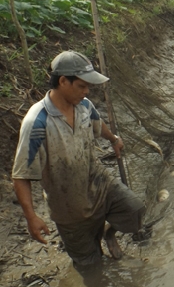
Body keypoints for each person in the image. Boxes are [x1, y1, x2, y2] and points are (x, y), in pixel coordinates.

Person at [12, 51, 145, 265]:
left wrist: (113, 139)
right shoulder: (37, 123)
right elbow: (20, 176)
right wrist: (31, 217)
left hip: (99, 183)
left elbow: (96, 123)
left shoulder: (84, 106)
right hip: (69, 206)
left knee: (135, 210)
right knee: (90, 265)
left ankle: (108, 233)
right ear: (63, 81)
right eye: (82, 86)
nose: (87, 92)